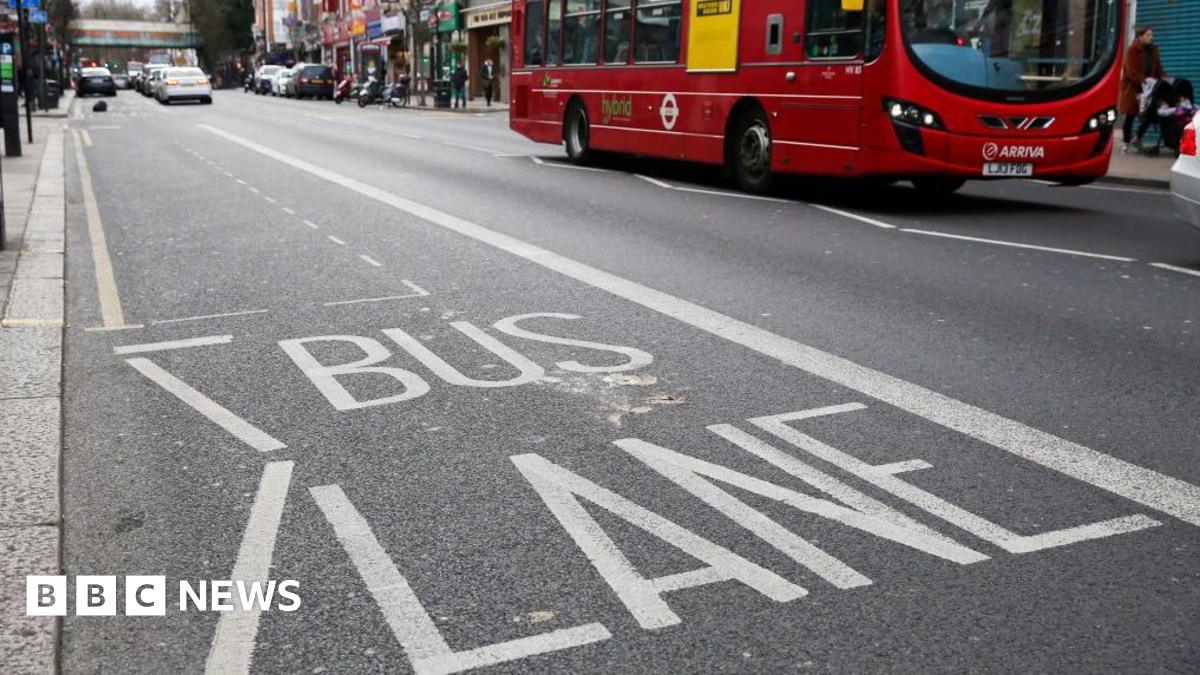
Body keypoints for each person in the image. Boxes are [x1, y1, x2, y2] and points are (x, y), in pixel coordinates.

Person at [1119, 26, 1166, 153]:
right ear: (1140, 36)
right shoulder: (1133, 50)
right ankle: (1125, 143)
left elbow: (1158, 68)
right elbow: (1131, 71)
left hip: (1149, 89)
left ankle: (1137, 138)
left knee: (1150, 115)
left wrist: (1164, 78)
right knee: (1130, 116)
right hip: (1133, 88)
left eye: (1152, 35)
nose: (1151, 37)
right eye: (1148, 35)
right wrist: (1143, 80)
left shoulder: (1153, 50)